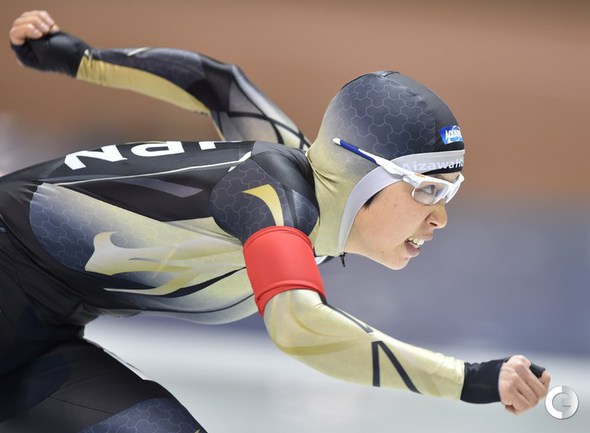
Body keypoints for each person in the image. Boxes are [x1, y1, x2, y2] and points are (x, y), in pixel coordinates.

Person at [2, 10, 550, 433]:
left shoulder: (299, 161)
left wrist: (78, 58)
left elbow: (217, 83)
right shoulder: (271, 198)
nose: (442, 216)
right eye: (427, 189)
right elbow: (300, 327)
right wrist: (466, 380)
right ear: (363, 177)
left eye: (449, 191)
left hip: (42, 329)